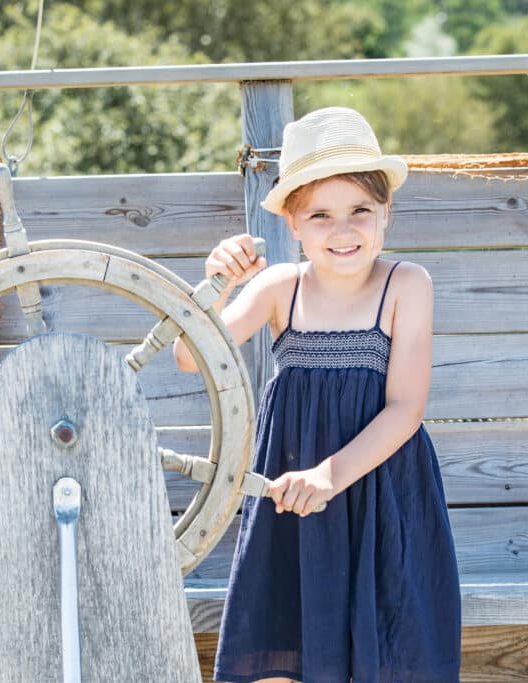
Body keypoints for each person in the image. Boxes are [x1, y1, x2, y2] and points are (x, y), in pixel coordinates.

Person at [173, 107, 462, 682]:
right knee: (283, 644)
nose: (344, 230)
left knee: (391, 647)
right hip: (293, 500)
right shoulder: (279, 287)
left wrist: (329, 476)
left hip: (381, 495)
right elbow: (187, 356)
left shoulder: (406, 284)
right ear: (294, 227)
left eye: (361, 210)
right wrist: (218, 283)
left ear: (387, 214)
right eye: (321, 215)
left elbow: (406, 408)